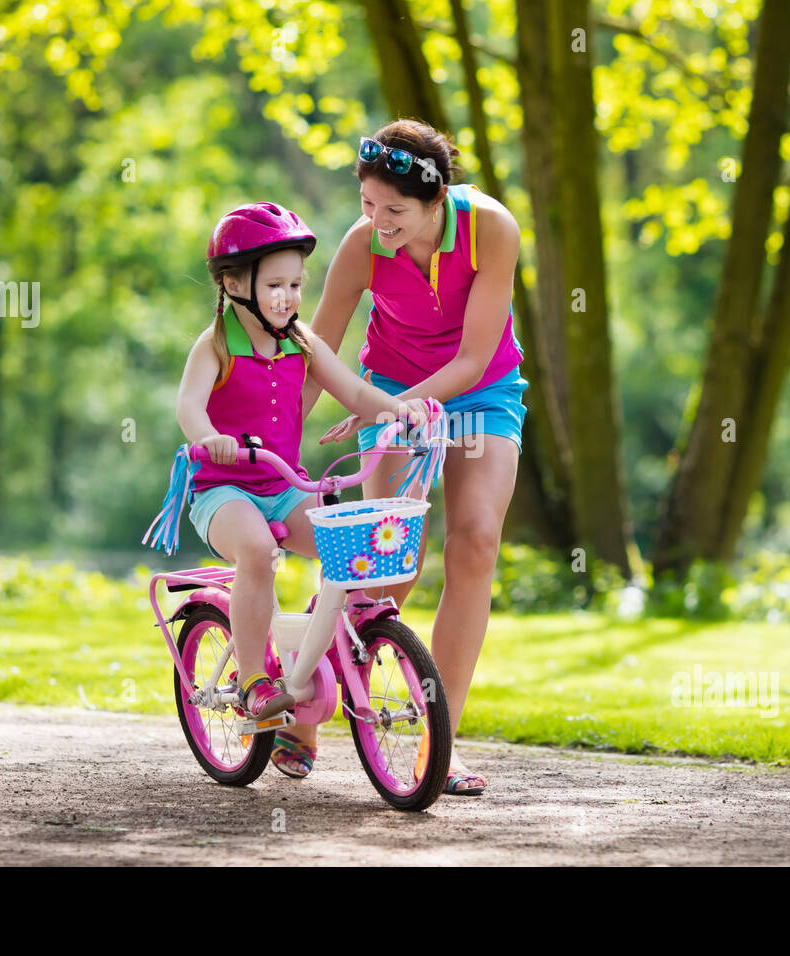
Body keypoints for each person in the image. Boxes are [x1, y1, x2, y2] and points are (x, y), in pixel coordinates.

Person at [290, 119, 528, 795]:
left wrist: (402, 410)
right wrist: (277, 439)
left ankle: (437, 742)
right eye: (367, 205)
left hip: (480, 393)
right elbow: (320, 352)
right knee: (388, 565)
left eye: (393, 210)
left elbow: (475, 357)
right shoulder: (363, 247)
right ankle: (300, 704)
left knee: (476, 542)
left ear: (436, 201)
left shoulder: (491, 229)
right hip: (392, 389)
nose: (377, 222)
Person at [176, 201, 429, 728]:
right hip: (224, 490)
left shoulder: (303, 342)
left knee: (355, 549)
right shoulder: (216, 344)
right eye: (275, 285)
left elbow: (356, 391)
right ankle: (251, 682)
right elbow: (188, 407)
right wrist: (210, 438)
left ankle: (315, 642)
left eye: (295, 284)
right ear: (234, 283)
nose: (288, 297)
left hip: (284, 485)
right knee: (257, 550)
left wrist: (401, 410)